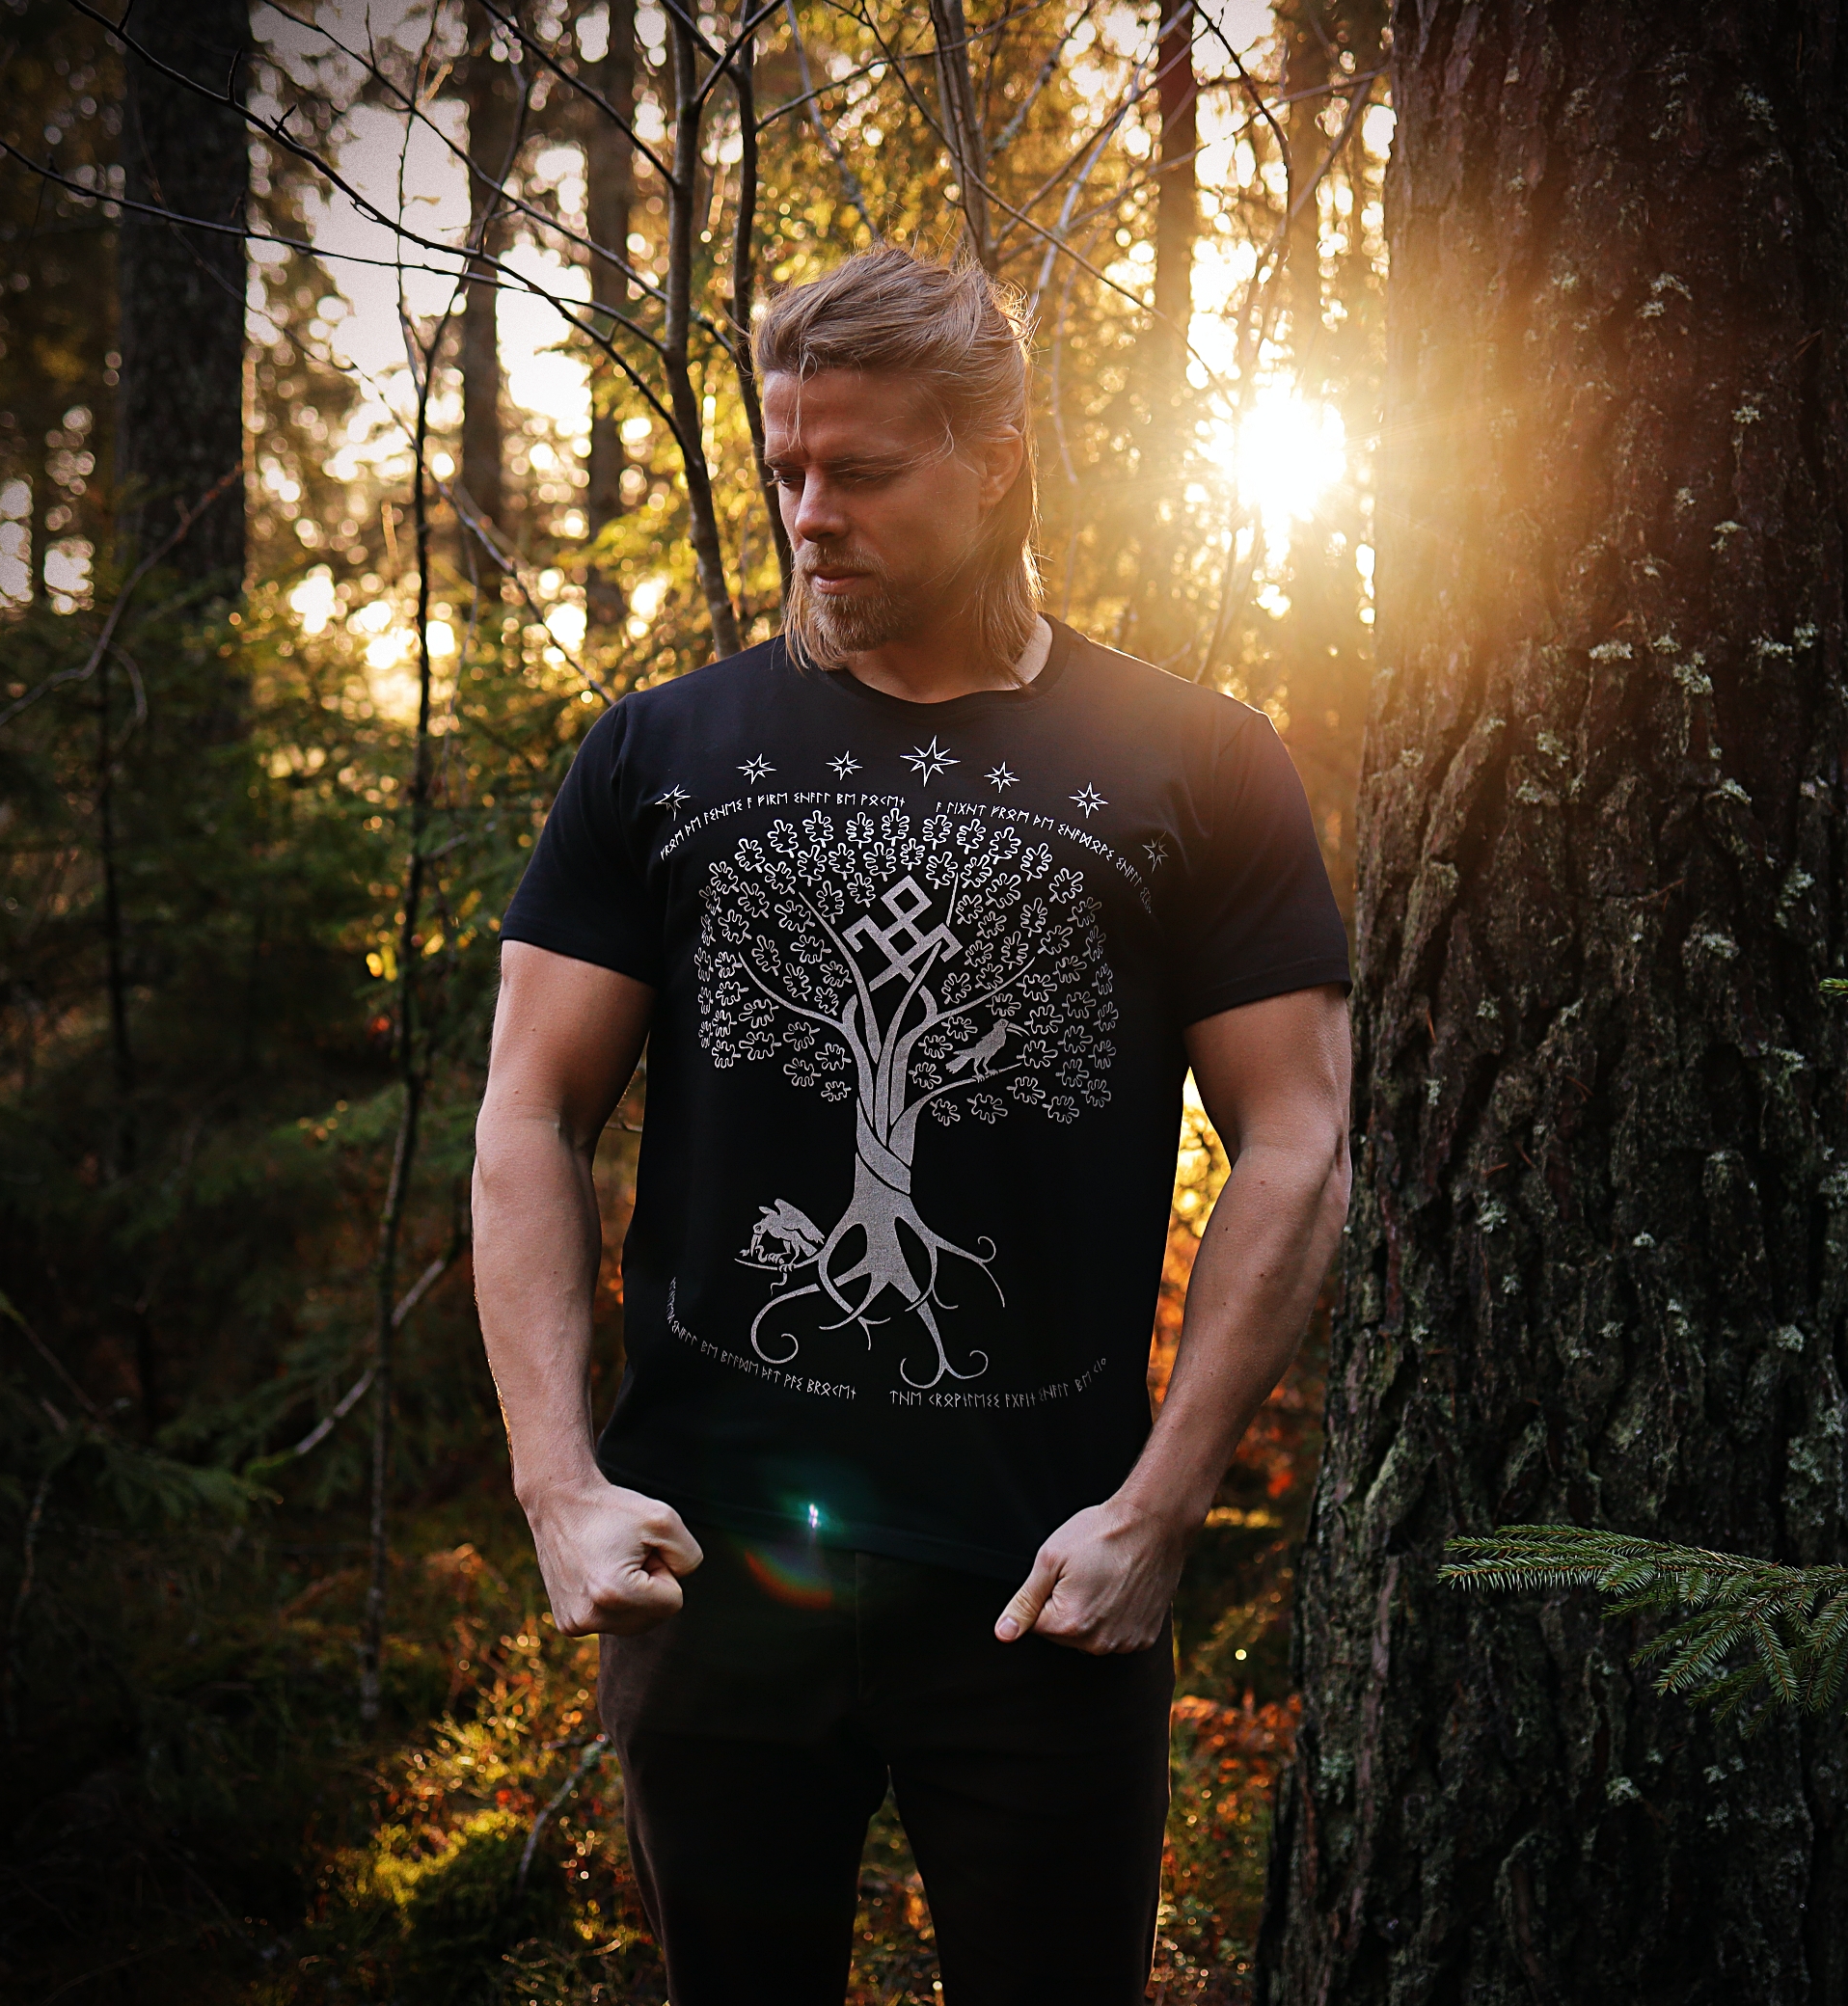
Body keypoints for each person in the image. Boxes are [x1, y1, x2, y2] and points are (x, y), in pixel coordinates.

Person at [474, 242, 1352, 2006]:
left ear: (997, 457)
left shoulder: (1198, 760)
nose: (812, 515)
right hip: (710, 1571)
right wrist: (559, 1487)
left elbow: (1300, 1139)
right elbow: (529, 1114)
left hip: (1042, 1581)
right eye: (787, 469)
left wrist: (1160, 1513)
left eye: (862, 471)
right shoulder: (659, 753)